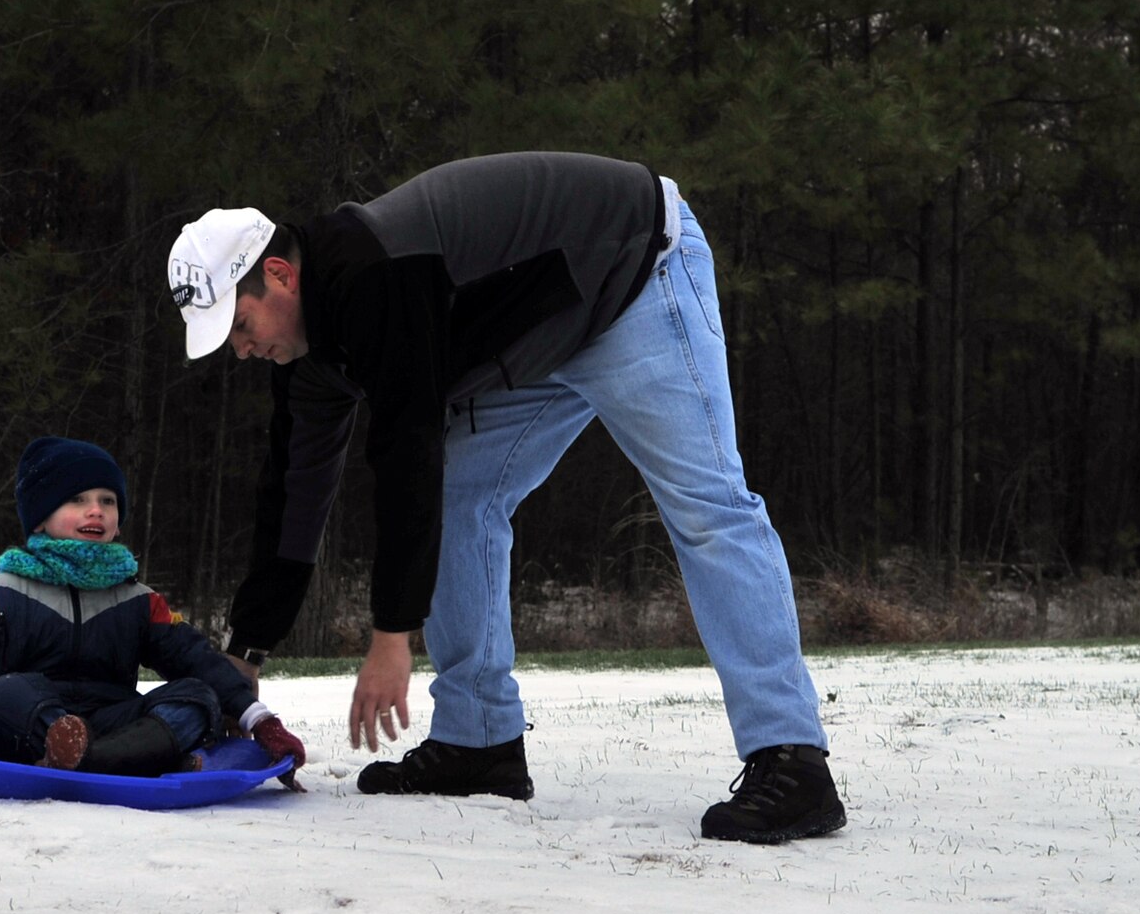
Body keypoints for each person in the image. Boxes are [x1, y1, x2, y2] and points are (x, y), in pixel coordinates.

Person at [166, 151, 843, 842]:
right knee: (462, 494)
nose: (242, 350)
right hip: (545, 324)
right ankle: (478, 738)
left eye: (240, 327)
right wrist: (245, 652)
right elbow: (293, 492)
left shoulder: (376, 274)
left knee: (707, 508)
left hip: (632, 270)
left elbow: (407, 449)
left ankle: (791, 758)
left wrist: (391, 636)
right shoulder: (311, 349)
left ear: (280, 276)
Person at [0, 436, 307, 787]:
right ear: (39, 520)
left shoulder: (139, 599)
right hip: (21, 728)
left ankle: (89, 760)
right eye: (77, 499)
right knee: (7, 691)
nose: (96, 510)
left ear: (118, 522)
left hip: (113, 726)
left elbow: (198, 659)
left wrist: (262, 721)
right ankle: (96, 755)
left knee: (197, 697)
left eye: (108, 500)